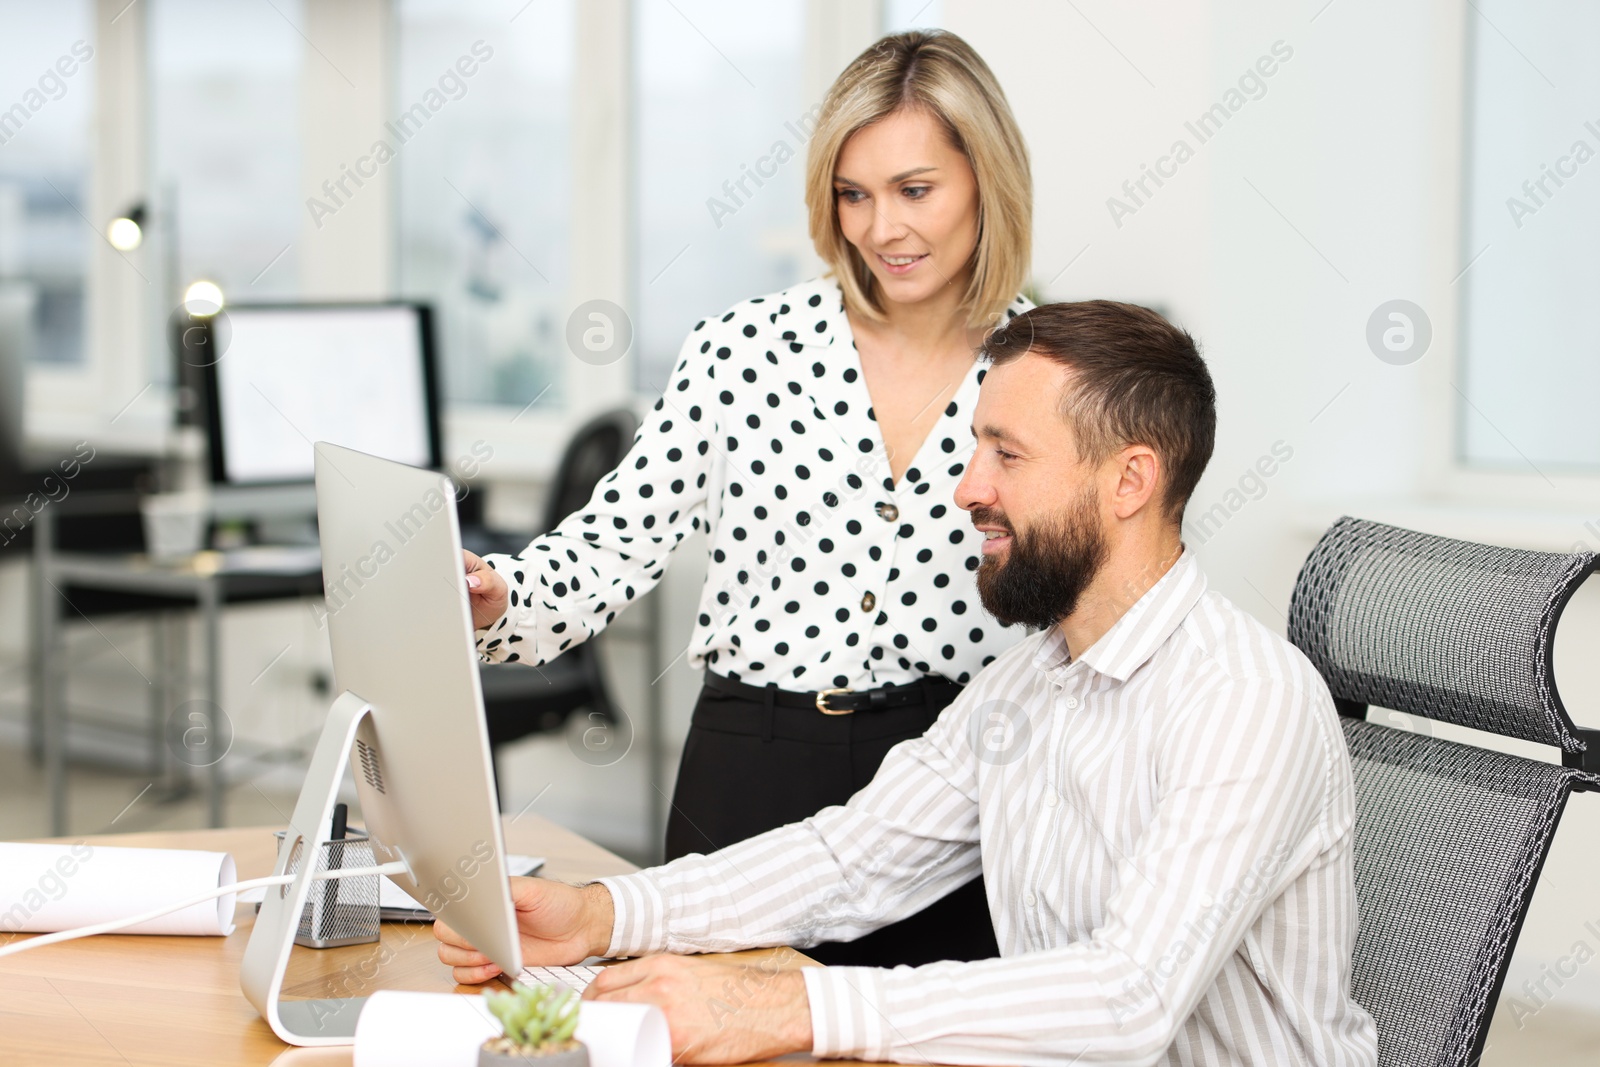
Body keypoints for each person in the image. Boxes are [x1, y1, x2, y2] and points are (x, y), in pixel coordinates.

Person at [438, 301, 1380, 1067]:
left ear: (1130, 479)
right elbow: (851, 858)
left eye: (1006, 454)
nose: (966, 488)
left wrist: (795, 1003)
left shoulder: (1245, 699)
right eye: (977, 448)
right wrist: (605, 913)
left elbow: (1127, 996)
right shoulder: (1028, 685)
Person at [462, 30, 1034, 967]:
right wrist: (504, 595)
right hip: (752, 767)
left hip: (959, 795)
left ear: (987, 178)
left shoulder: (1043, 369)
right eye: (854, 194)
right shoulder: (744, 349)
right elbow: (612, 544)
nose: (881, 228)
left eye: (915, 190)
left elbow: (1082, 607)